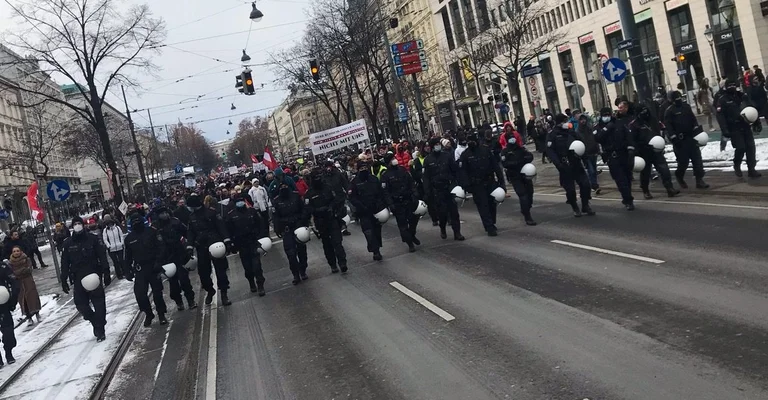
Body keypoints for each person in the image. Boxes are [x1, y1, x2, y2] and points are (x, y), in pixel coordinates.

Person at [61, 216, 109, 341]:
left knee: (99, 304)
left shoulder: (92, 239)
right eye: (75, 224)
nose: (77, 225)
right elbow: (65, 262)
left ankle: (100, 330)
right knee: (81, 306)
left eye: (79, 223)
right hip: (78, 278)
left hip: (93, 275)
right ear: (72, 226)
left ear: (83, 225)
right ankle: (95, 321)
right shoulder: (68, 243)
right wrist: (63, 279)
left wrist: (106, 271)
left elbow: (102, 255)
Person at [186, 194, 234, 306]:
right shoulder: (191, 217)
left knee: (220, 271)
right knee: (203, 273)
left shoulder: (211, 213)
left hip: (215, 244)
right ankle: (210, 290)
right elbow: (190, 233)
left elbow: (221, 227)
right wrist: (189, 247)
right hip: (201, 247)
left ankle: (224, 294)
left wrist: (227, 241)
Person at [124, 212, 168, 326]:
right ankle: (148, 313)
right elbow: (127, 256)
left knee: (157, 293)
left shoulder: (151, 232)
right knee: (140, 294)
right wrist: (127, 270)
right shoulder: (129, 238)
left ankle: (161, 314)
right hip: (140, 269)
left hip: (153, 266)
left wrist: (159, 262)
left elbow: (161, 247)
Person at [458, 129, 505, 236]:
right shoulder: (465, 155)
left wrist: (501, 181)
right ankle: (489, 227)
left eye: (472, 140)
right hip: (477, 185)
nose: (471, 142)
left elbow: (495, 166)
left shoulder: (485, 150)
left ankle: (492, 222)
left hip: (489, 181)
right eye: (469, 140)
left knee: (492, 204)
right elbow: (463, 171)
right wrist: (466, 185)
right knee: (483, 206)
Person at [547, 113, 595, 217]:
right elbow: (550, 151)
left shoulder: (571, 132)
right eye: (564, 121)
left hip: (576, 162)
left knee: (586, 185)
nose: (566, 123)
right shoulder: (553, 135)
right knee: (570, 190)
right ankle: (575, 207)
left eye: (566, 120)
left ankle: (585, 205)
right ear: (558, 123)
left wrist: (585, 159)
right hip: (564, 165)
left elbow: (580, 144)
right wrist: (558, 164)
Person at [629, 105, 680, 199]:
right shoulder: (634, 125)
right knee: (645, 173)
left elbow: (660, 130)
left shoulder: (653, 120)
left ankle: (669, 188)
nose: (646, 114)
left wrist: (661, 141)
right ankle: (645, 190)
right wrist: (637, 151)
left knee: (664, 170)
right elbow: (632, 140)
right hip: (644, 152)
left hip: (656, 150)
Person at [152, 206, 197, 310]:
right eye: (161, 213)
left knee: (184, 280)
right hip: (167, 258)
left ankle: (190, 300)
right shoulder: (155, 226)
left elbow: (186, 232)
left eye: (165, 212)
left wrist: (189, 246)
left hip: (180, 255)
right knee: (173, 283)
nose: (164, 215)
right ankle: (178, 301)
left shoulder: (175, 222)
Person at [305, 169, 348, 272]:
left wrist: (331, 207)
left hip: (331, 218)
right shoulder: (309, 193)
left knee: (337, 243)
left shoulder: (328, 188)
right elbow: (307, 208)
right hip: (320, 222)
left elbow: (336, 200)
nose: (318, 179)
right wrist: (316, 211)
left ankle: (342, 263)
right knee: (327, 244)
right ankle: (332, 264)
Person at [664, 91, 709, 189]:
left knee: (697, 160)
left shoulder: (686, 107)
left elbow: (693, 120)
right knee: (683, 162)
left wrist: (697, 129)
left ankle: (699, 180)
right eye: (676, 98)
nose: (678, 99)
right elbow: (668, 127)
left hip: (691, 138)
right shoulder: (669, 111)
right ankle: (679, 175)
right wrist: (674, 138)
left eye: (679, 97)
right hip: (680, 141)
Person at [718, 78, 762, 178]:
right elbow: (720, 116)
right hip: (734, 128)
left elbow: (751, 109)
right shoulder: (723, 99)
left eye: (734, 85)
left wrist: (757, 122)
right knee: (741, 148)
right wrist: (724, 129)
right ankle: (737, 164)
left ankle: (752, 169)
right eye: (730, 85)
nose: (732, 87)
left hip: (745, 125)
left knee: (750, 148)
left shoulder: (742, 96)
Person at [423, 137, 464, 240]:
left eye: (438, 144)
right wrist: (428, 192)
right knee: (442, 214)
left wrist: (457, 184)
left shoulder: (447, 156)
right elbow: (426, 178)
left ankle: (457, 233)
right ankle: (442, 228)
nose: (438, 146)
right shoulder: (428, 160)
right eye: (436, 144)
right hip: (437, 190)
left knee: (454, 212)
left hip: (449, 188)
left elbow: (454, 170)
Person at [225, 193, 267, 296]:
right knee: (247, 267)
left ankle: (260, 284)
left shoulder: (252, 212)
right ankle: (251, 282)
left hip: (253, 242)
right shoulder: (231, 215)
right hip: (241, 245)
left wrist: (261, 238)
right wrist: (232, 245)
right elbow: (229, 231)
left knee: (257, 265)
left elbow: (261, 224)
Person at [594, 107, 635, 210]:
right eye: (604, 115)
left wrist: (631, 150)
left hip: (624, 154)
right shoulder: (598, 127)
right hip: (612, 157)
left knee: (628, 178)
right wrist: (607, 128)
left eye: (608, 115)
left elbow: (628, 136)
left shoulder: (619, 123)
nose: (606, 117)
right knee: (620, 180)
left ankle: (627, 198)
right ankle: (628, 200)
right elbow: (597, 138)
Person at [381, 153, 420, 251]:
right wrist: (390, 204)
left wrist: (415, 193)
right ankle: (410, 243)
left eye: (394, 158)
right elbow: (385, 192)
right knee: (403, 225)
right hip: (397, 203)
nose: (394, 160)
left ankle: (412, 234)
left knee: (413, 220)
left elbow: (411, 182)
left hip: (408, 200)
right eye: (392, 159)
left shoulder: (402, 170)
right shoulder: (385, 176)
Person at [272, 179, 309, 284]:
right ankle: (295, 274)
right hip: (287, 229)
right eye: (281, 186)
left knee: (302, 251)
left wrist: (303, 221)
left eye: (285, 186)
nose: (284, 188)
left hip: (298, 227)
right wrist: (278, 229)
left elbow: (303, 210)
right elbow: (276, 217)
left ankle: (303, 270)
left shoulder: (296, 196)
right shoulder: (277, 201)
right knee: (291, 253)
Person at [349, 159, 387, 260]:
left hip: (376, 210)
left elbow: (381, 193)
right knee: (368, 232)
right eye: (361, 168)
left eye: (365, 168)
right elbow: (352, 198)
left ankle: (377, 248)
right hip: (364, 212)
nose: (364, 170)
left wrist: (381, 204)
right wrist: (361, 206)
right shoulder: (354, 182)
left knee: (377, 231)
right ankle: (375, 251)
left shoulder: (373, 179)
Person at [500, 126, 537, 225]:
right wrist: (515, 163)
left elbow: (529, 155)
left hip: (525, 174)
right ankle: (527, 216)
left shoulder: (520, 148)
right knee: (523, 195)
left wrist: (525, 159)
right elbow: (505, 163)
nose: (513, 139)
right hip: (515, 176)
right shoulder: (505, 152)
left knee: (530, 193)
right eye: (510, 137)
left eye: (513, 137)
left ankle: (526, 208)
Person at [8, 246, 41, 326]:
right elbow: (12, 274)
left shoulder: (26, 259)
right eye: (14, 251)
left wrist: (18, 272)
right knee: (23, 301)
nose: (16, 252)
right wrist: (21, 271)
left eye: (17, 251)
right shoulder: (10, 263)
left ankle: (37, 313)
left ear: (21, 251)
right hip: (19, 284)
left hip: (28, 281)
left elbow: (29, 270)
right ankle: (29, 317)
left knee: (32, 297)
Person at [411, 142, 439, 227]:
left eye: (428, 146)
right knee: (430, 202)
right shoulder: (417, 160)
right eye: (425, 146)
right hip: (425, 185)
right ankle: (434, 219)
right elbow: (416, 174)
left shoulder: (434, 156)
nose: (427, 148)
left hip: (435, 182)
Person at [576, 113, 600, 195]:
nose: (583, 121)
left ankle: (594, 184)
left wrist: (597, 149)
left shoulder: (590, 128)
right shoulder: (578, 132)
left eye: (584, 119)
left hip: (593, 151)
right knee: (591, 170)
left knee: (594, 169)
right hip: (585, 154)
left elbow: (594, 139)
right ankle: (594, 185)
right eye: (581, 119)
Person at [0, 259, 18, 366]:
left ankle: (8, 351)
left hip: (3, 304)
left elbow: (15, 282)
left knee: (8, 332)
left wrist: (13, 300)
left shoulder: (2, 267)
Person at [101, 215, 125, 280]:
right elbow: (105, 239)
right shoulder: (105, 231)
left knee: (121, 260)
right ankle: (119, 274)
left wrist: (121, 243)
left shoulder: (117, 228)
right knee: (115, 262)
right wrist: (109, 246)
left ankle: (124, 272)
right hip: (111, 249)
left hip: (119, 246)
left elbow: (121, 235)